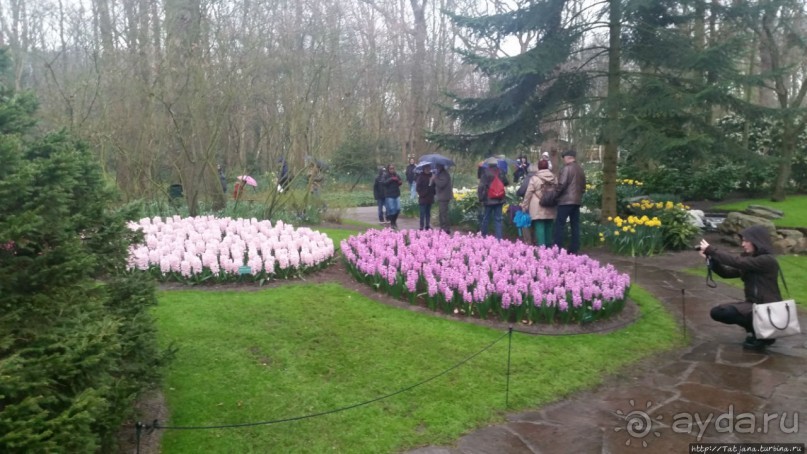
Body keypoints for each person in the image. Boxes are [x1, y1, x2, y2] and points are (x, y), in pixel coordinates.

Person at [699, 226, 783, 350]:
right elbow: (726, 273)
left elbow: (737, 262)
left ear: (756, 241)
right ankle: (758, 333)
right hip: (753, 304)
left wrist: (711, 250)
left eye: (746, 241)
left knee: (726, 312)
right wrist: (711, 259)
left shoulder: (767, 260)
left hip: (767, 307)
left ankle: (765, 335)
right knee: (719, 312)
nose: (743, 244)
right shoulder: (751, 259)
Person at [553, 149, 586, 253]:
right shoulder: (580, 169)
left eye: (563, 159)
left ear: (567, 158)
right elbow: (583, 186)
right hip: (577, 201)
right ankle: (574, 248)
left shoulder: (567, 169)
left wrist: (555, 195)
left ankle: (557, 248)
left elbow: (561, 185)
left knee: (560, 224)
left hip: (565, 201)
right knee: (575, 225)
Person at [521, 160, 557, 247]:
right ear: (548, 167)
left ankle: (541, 246)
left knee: (539, 225)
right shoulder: (554, 177)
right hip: (551, 203)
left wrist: (524, 205)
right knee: (549, 224)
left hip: (538, 205)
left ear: (539, 167)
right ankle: (549, 246)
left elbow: (528, 193)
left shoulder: (535, 178)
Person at [477, 158, 509, 240]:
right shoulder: (501, 172)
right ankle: (499, 238)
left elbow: (481, 186)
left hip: (489, 199)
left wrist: (480, 198)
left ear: (488, 165)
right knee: (498, 219)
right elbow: (506, 182)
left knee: (486, 218)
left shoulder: (486, 172)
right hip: (499, 199)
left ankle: (484, 237)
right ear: (496, 164)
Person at [432, 163, 453, 234]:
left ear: (441, 166)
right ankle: (442, 227)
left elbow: (441, 184)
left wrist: (435, 179)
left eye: (437, 166)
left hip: (444, 196)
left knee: (443, 213)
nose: (436, 167)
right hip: (441, 196)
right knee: (441, 213)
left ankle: (445, 228)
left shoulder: (444, 174)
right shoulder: (440, 173)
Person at [381, 163, 403, 229]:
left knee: (398, 208)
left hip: (397, 194)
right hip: (389, 195)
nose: (392, 170)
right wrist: (391, 179)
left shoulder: (396, 174)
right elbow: (384, 183)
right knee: (392, 209)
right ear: (388, 169)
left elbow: (400, 182)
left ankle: (394, 221)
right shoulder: (386, 175)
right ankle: (393, 223)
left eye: (393, 168)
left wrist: (398, 181)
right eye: (390, 168)